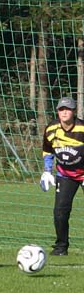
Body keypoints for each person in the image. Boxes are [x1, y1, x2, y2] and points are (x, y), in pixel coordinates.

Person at [40, 96, 84, 256]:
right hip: (65, 175)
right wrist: (47, 170)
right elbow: (47, 150)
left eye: (68, 109)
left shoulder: (82, 129)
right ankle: (61, 247)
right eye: (61, 109)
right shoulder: (51, 129)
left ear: (74, 111)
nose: (64, 112)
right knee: (60, 212)